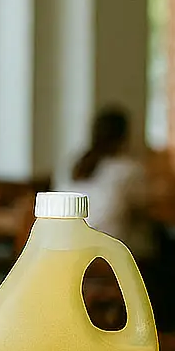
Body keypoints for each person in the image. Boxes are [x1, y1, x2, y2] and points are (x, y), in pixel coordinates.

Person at [56, 106, 150, 255]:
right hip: (106, 252)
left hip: (65, 244)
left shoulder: (73, 164)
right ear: (125, 136)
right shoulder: (127, 169)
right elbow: (145, 206)